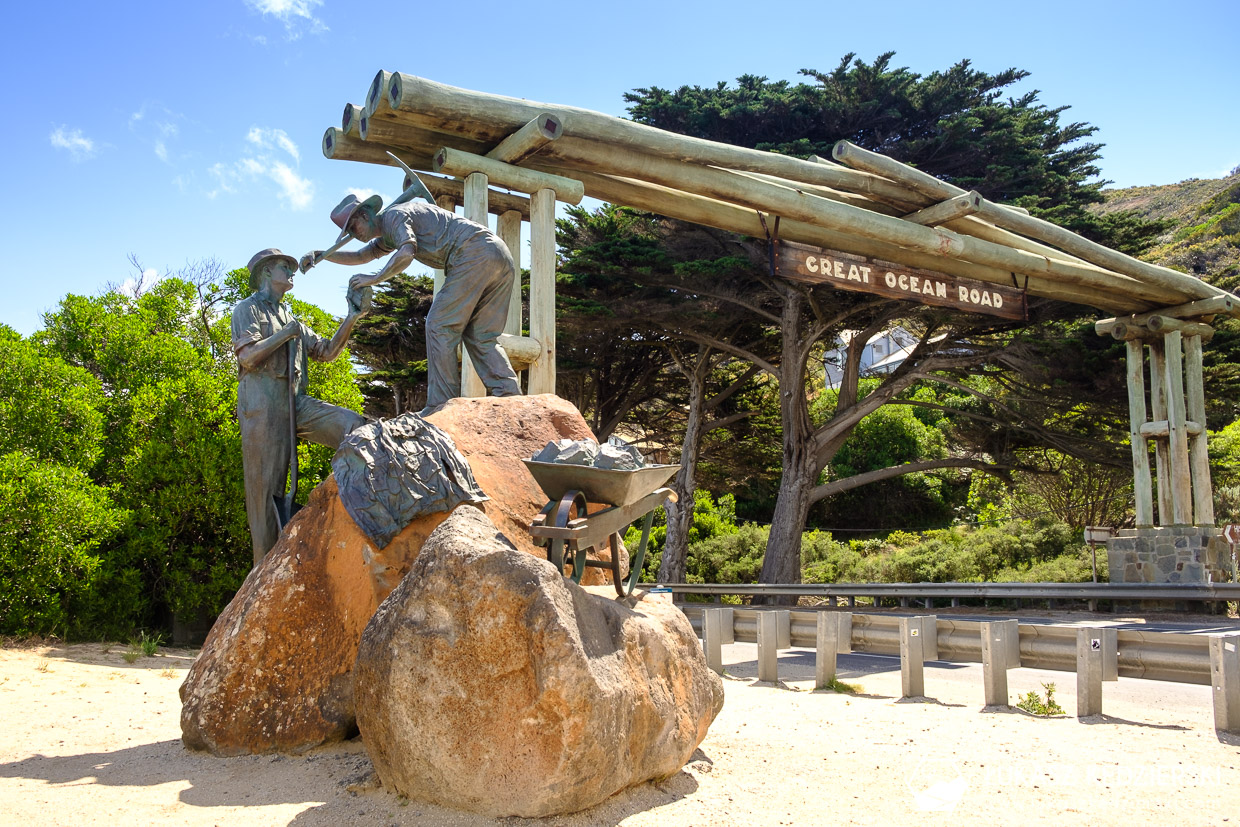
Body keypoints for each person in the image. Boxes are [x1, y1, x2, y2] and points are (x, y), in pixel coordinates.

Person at [300, 194, 521, 414]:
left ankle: (441, 405)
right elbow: (361, 256)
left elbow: (407, 251)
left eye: (352, 226)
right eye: (348, 231)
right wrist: (322, 256)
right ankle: (510, 397)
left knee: (439, 325)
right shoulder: (387, 233)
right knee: (480, 336)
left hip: (474, 252)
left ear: (365, 215)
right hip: (498, 253)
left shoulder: (395, 217)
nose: (352, 234)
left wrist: (374, 278)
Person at [232, 248, 369, 565]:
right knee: (265, 498)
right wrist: (286, 334)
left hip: (295, 401)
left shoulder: (291, 320)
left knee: (354, 427)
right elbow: (248, 358)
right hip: (262, 404)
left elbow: (327, 351)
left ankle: (358, 506)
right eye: (285, 266)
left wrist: (352, 315)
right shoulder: (247, 310)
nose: (292, 271)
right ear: (266, 272)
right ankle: (263, 575)